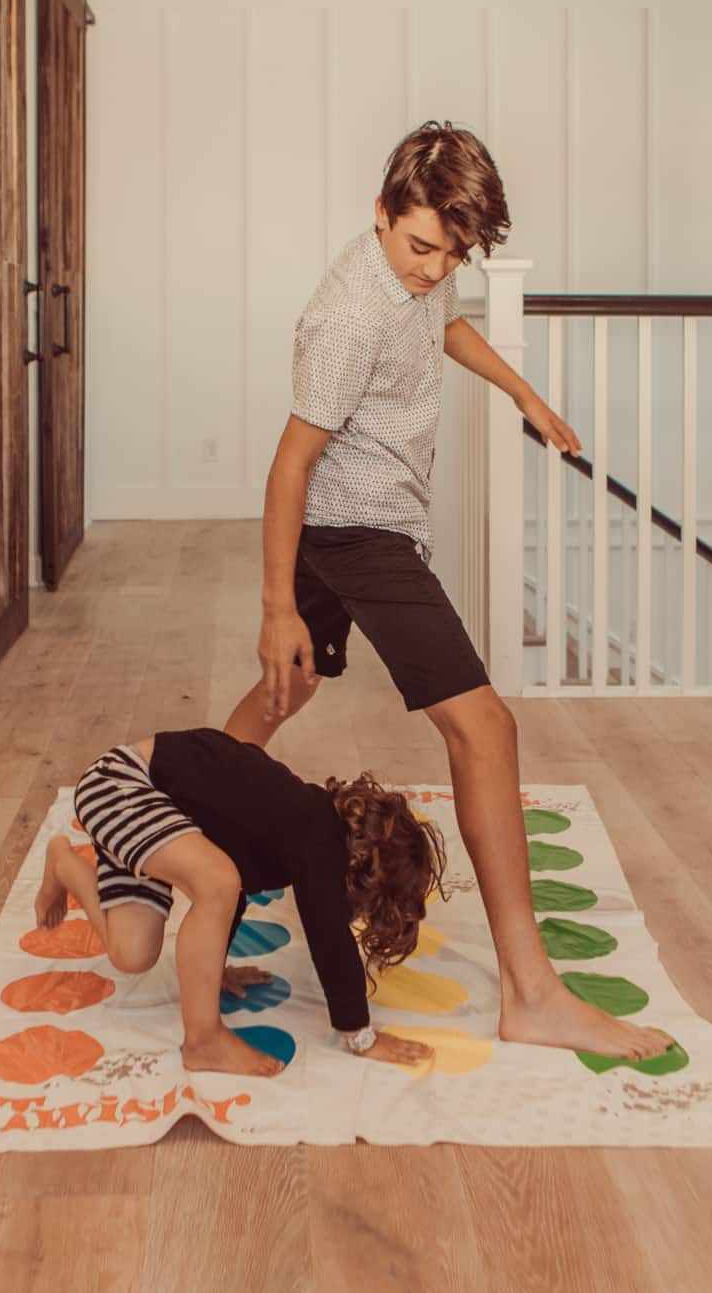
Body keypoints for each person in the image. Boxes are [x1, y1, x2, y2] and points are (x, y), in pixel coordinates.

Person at [228, 122, 671, 1062]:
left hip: (361, 521)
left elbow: (446, 323)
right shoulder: (347, 316)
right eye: (420, 246)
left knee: (288, 688)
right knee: (486, 726)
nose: (434, 268)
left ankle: (172, 814)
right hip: (358, 531)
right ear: (381, 213)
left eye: (453, 251)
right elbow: (289, 466)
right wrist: (277, 607)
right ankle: (532, 991)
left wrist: (524, 394)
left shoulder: (423, 271)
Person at [35, 727, 443, 1077]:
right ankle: (203, 1040)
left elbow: (233, 896)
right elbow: (328, 938)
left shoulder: (295, 834)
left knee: (133, 954)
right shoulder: (318, 837)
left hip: (150, 813)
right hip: (123, 785)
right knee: (217, 881)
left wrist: (214, 968)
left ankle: (65, 863)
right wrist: (361, 1036)